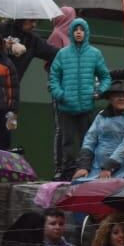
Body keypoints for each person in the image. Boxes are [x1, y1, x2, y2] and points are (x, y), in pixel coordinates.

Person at [49, 17, 112, 179]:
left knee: (89, 140)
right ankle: (67, 172)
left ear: (86, 32)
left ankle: (87, 170)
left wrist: (99, 92)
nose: (78, 32)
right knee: (67, 142)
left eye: (81, 29)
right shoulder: (62, 54)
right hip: (66, 106)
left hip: (86, 107)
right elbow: (53, 77)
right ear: (71, 32)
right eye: (75, 29)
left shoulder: (94, 54)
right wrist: (59, 94)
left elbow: (105, 77)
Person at [72, 80, 124, 180]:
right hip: (95, 168)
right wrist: (83, 166)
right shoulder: (101, 116)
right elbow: (89, 141)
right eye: (117, 95)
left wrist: (108, 167)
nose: (122, 98)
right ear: (110, 99)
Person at [0, 17, 56, 85]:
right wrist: (3, 46)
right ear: (21, 19)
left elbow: (52, 52)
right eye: (31, 20)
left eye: (35, 21)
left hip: (12, 88)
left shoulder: (32, 40)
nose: (34, 25)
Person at [0, 28, 20, 150]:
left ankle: (0, 169)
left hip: (1, 111)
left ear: (0, 45)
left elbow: (13, 89)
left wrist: (13, 112)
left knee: (1, 144)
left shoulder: (7, 64)